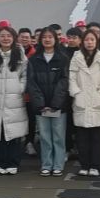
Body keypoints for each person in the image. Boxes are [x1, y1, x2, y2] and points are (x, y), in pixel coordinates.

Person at [0, 25, 29, 175]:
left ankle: (13, 163)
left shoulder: (20, 55)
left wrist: (20, 89)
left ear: (14, 38)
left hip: (14, 100)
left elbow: (25, 76)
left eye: (9, 36)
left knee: (14, 134)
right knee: (0, 133)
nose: (5, 38)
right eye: (2, 36)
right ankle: (1, 163)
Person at [27, 28, 70, 176]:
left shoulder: (63, 59)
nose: (47, 39)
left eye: (50, 37)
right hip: (41, 106)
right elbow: (31, 83)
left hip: (58, 105)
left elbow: (64, 81)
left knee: (58, 136)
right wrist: (40, 103)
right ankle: (46, 164)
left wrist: (55, 103)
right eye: (44, 37)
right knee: (44, 136)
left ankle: (58, 164)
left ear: (55, 39)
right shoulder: (34, 59)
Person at [70, 29, 100, 176]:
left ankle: (95, 166)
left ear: (97, 41)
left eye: (92, 40)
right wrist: (76, 93)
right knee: (82, 137)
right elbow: (72, 78)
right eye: (87, 39)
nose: (89, 42)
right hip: (81, 100)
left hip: (97, 100)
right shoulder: (76, 57)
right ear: (82, 41)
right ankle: (84, 165)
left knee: (96, 137)